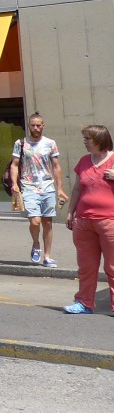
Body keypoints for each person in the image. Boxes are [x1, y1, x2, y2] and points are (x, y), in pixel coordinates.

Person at [62, 125, 114, 314]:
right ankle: (84, 303)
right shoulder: (84, 161)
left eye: (87, 139)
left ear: (99, 140)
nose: (84, 142)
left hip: (110, 221)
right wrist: (71, 212)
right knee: (86, 267)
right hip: (84, 221)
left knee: (112, 266)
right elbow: (77, 189)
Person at [7, 113, 67, 267]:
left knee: (47, 223)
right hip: (28, 186)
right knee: (35, 221)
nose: (36, 128)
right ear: (29, 126)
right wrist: (14, 183)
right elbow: (14, 164)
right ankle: (36, 243)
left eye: (38, 125)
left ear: (43, 126)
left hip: (47, 186)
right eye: (33, 125)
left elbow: (56, 166)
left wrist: (59, 188)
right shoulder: (21, 143)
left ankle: (47, 256)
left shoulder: (50, 143)